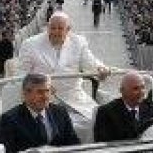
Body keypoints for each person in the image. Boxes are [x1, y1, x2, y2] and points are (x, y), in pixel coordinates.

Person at [17, 12, 111, 140]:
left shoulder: (78, 42)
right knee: (50, 128)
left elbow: (91, 63)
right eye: (52, 28)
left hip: (73, 96)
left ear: (68, 30)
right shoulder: (30, 44)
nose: (55, 32)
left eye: (60, 28)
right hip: (42, 98)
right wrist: (40, 86)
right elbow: (21, 75)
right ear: (47, 27)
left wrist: (100, 68)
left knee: (97, 123)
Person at [0, 73, 79, 153]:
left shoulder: (60, 112)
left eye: (47, 91)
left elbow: (74, 144)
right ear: (26, 94)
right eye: (40, 92)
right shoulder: (10, 119)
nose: (45, 96)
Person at [94, 71, 153, 143]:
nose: (141, 92)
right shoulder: (106, 112)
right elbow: (103, 143)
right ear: (122, 91)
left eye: (143, 87)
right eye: (136, 89)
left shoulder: (152, 108)